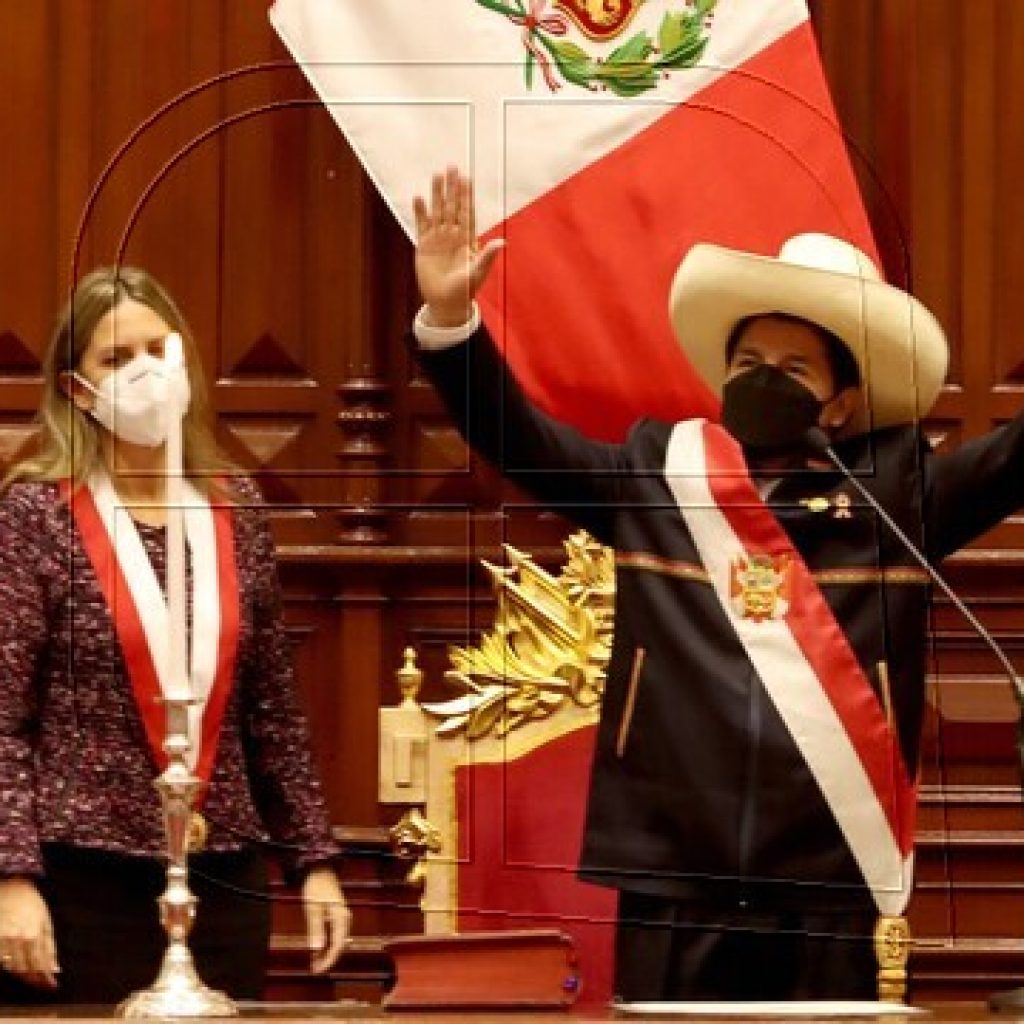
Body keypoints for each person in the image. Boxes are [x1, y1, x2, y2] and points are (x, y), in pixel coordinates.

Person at [408, 168, 1024, 1001]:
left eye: (793, 369)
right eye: (748, 361)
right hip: (671, 866)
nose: (763, 378)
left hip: (827, 868)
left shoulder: (901, 495)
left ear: (840, 404)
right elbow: (521, 443)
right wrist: (452, 322)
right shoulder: (659, 474)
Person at [0, 267, 350, 1004]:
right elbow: (5, 720)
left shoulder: (235, 507)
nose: (145, 373)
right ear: (75, 390)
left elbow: (273, 710)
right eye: (115, 359)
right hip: (80, 876)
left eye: (157, 349)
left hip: (224, 870)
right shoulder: (37, 513)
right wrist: (12, 879)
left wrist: (314, 860)